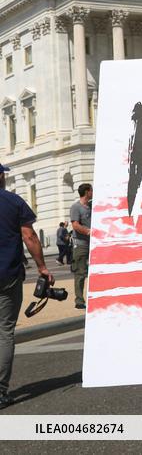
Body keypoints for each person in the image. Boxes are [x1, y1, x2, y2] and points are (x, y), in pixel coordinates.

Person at [1, 163, 54, 409]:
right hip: (7, 273)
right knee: (4, 331)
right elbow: (29, 236)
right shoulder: (13, 201)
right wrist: (42, 267)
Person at [70, 183, 92, 310]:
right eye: (91, 191)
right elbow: (75, 225)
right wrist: (89, 231)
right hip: (81, 244)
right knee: (80, 272)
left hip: (92, 243)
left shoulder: (90, 206)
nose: (93, 193)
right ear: (87, 192)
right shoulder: (76, 207)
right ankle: (79, 300)